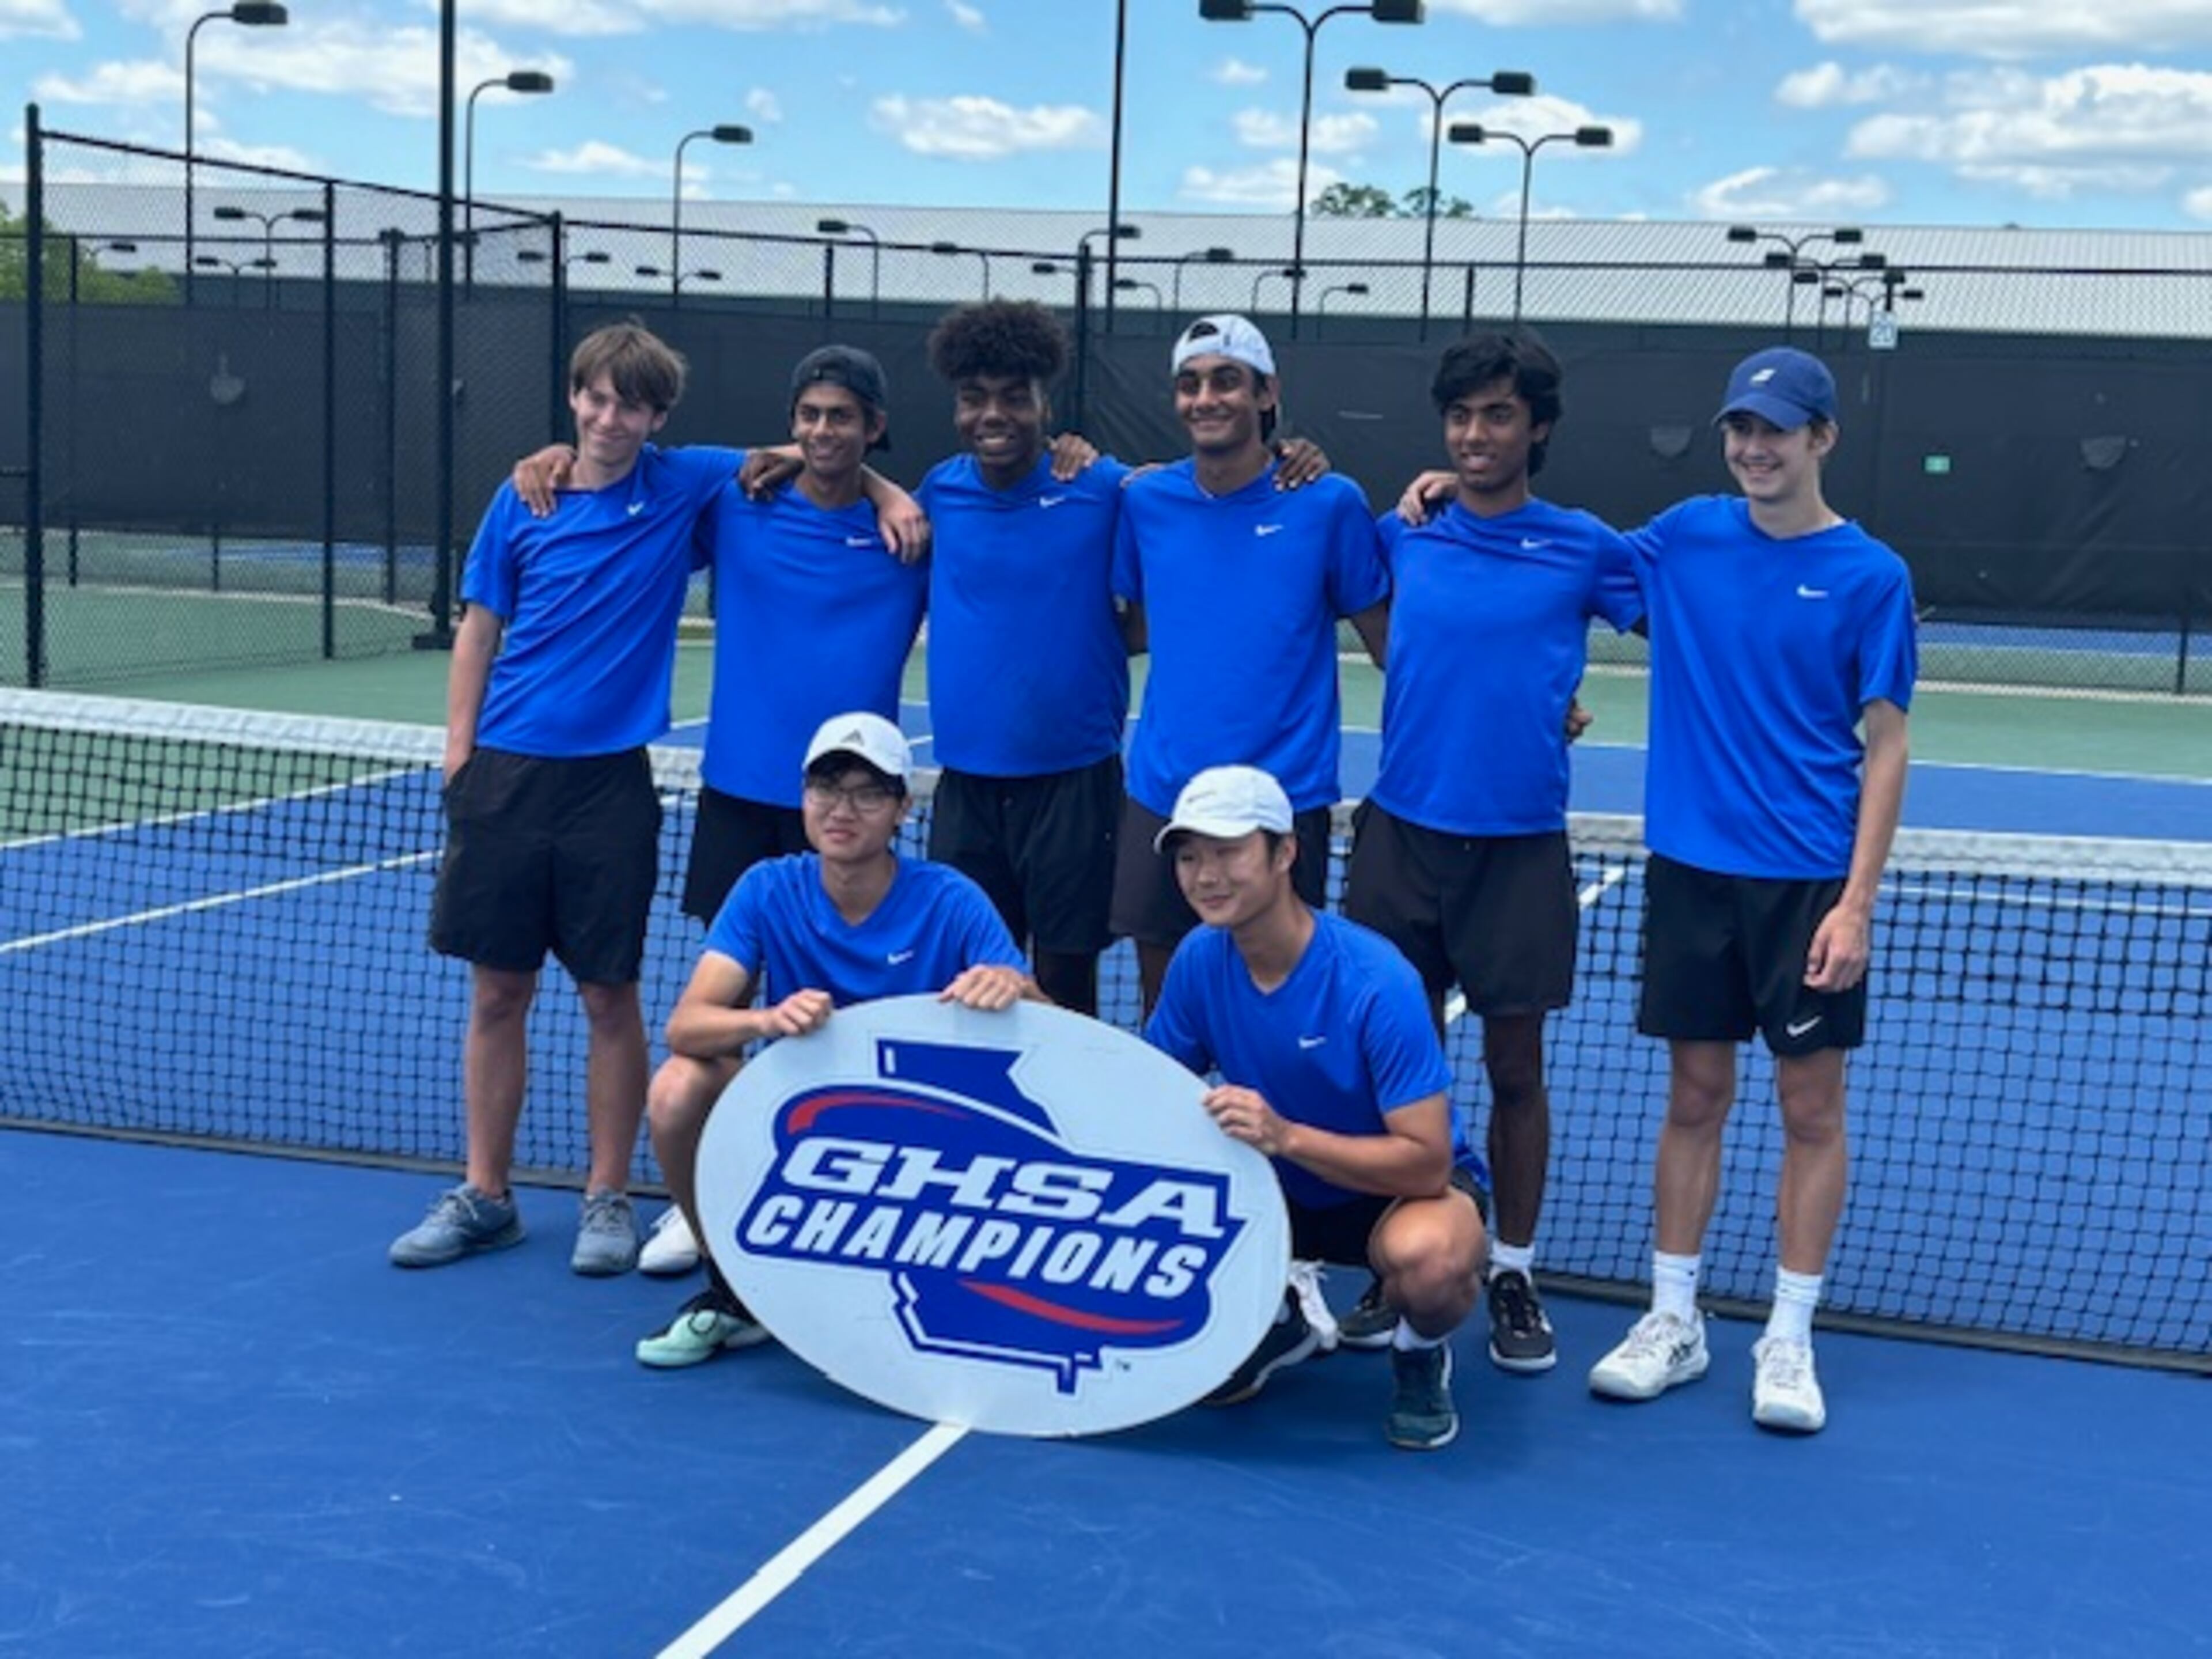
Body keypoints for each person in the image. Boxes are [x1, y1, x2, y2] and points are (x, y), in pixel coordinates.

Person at [1586, 346, 1915, 1433]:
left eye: (1777, 430)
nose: (1754, 449)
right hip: (1693, 872)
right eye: (1741, 429)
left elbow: (1886, 745)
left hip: (1808, 880)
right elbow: (1562, 569)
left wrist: (1855, 903)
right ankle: (1674, 1318)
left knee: (1810, 1107)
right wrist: (1444, 494)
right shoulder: (1684, 536)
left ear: (1822, 439)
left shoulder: (1872, 575)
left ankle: (1788, 1333)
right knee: (1693, 1097)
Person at [392, 321, 738, 1276]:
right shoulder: (523, 495)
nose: (608, 417)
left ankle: (607, 1196)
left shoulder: (682, 484)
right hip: (503, 775)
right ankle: (487, 1194)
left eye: (631, 403)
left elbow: (806, 452)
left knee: (607, 993)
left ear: (658, 416)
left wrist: (875, 483)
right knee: (498, 991)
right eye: (594, 397)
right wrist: (461, 754)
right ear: (574, 397)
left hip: (609, 785)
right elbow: (478, 626)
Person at [1336, 333, 1643, 1374]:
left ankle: (1511, 1265)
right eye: (1461, 417)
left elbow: (1686, 616)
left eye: (1499, 416)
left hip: (1518, 853)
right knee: (1395, 1073)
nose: (1476, 435)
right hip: (1400, 839)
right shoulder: (1404, 531)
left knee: (1517, 1068)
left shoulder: (1585, 546)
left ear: (1539, 428)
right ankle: (1397, 1258)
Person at [635, 711, 1041, 1368]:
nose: (841, 809)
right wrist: (766, 1021)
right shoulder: (767, 889)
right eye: (825, 789)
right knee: (679, 1085)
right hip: (807, 1117)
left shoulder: (952, 898)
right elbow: (688, 1026)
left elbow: (1047, 1026)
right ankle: (730, 1286)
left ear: (902, 809)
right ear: (803, 798)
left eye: (867, 793)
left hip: (929, 1134)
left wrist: (1012, 989)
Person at [1144, 766, 1488, 1451]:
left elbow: (1424, 1164)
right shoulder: (1197, 961)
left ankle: (1420, 1352)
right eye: (1189, 857)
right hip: (1274, 1189)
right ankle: (1278, 1320)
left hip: (1390, 1191)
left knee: (1431, 1262)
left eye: (1227, 852)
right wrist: (1031, 1007)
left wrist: (1285, 1136)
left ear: (1285, 853)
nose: (1205, 875)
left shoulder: (1375, 979)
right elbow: (1149, 1094)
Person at [1112, 315, 1390, 1014]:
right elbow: (1135, 628)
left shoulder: (1329, 504)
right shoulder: (1144, 501)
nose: (1206, 398)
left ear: (1267, 394)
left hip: (1285, 801)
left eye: (1226, 381)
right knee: (1166, 1022)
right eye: (1190, 384)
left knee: (1282, 1018)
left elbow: (1394, 649)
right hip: (1163, 797)